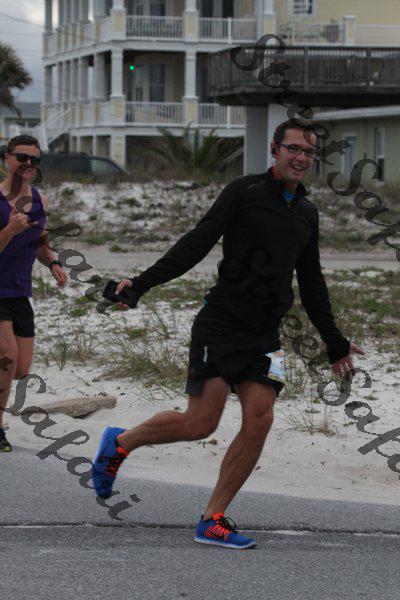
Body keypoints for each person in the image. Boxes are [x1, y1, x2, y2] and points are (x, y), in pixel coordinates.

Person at [92, 120, 364, 549]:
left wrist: (334, 342)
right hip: (220, 325)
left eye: (309, 152)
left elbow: (312, 282)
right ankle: (121, 443)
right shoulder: (244, 192)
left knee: (261, 417)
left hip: (266, 336)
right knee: (200, 424)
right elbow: (198, 241)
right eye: (293, 148)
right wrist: (141, 284)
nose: (301, 158)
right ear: (274, 149)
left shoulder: (306, 213)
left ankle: (213, 518)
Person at [0, 135, 67, 452]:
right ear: (7, 158)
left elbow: (40, 243)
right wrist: (9, 230)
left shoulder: (40, 199)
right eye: (22, 157)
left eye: (34, 160)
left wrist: (53, 262)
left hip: (19, 290)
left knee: (21, 369)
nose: (28, 164)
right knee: (7, 357)